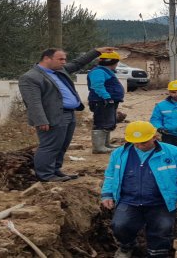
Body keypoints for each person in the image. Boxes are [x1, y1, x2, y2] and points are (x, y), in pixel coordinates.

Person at [101, 121, 177, 258]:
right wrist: (107, 194)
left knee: (162, 228)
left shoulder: (175, 153)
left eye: (144, 142)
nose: (139, 146)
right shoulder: (119, 154)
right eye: (136, 143)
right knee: (120, 226)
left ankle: (157, 252)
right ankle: (127, 246)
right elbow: (110, 175)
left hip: (161, 201)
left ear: (154, 137)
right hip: (129, 200)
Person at [19, 46, 115, 182]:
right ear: (47, 58)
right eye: (61, 59)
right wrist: (41, 120)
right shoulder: (30, 77)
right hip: (51, 117)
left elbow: (78, 63)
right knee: (50, 146)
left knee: (62, 146)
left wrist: (97, 51)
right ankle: (45, 175)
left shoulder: (59, 70)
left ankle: (55, 170)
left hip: (69, 114)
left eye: (65, 59)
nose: (64, 62)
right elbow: (33, 102)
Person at [87, 52, 125, 154]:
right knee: (101, 123)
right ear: (113, 62)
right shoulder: (98, 71)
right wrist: (107, 97)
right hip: (101, 101)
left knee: (108, 122)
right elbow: (97, 85)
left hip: (107, 101)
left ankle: (105, 144)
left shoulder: (106, 71)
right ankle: (98, 147)